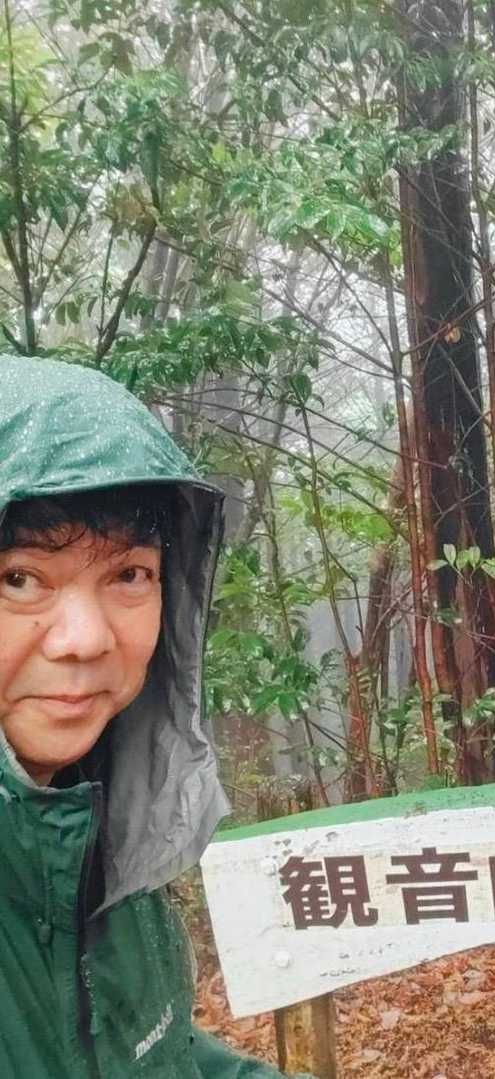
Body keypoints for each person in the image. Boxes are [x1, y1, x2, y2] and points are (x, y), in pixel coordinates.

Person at [0, 356, 296, 1076]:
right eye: (20, 579)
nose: (86, 639)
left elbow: (161, 1058)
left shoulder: (106, 829)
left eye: (128, 574)